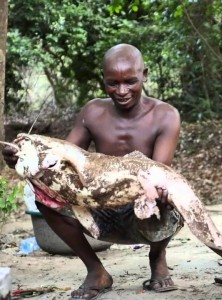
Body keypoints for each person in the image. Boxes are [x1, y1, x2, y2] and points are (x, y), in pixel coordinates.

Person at [2, 44, 183, 299]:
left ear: (145, 74)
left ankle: (157, 259)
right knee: (43, 197)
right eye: (113, 83)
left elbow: (157, 172)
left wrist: (159, 190)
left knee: (172, 199)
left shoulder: (166, 116)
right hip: (98, 204)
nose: (122, 91)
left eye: (130, 81)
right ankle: (96, 271)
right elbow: (61, 163)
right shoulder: (93, 112)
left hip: (143, 204)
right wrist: (21, 160)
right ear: (103, 81)